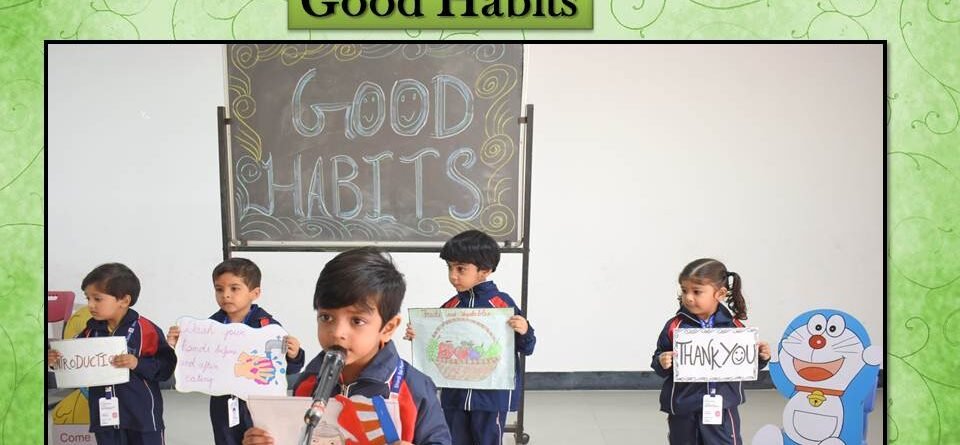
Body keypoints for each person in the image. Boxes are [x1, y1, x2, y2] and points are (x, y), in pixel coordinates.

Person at [243, 247, 451, 445]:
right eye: (326, 317)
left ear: (388, 328)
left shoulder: (415, 388)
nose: (337, 332)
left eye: (357, 321)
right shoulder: (307, 382)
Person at [404, 230, 536, 445]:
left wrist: (525, 330)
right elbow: (435, 342)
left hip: (491, 398)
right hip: (454, 396)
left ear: (485, 270)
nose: (453, 275)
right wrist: (418, 335)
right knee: (454, 440)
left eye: (461, 269)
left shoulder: (501, 305)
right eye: (449, 267)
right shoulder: (450, 306)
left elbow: (527, 347)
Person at [166, 257, 305, 445]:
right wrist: (179, 344)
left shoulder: (268, 327)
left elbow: (287, 370)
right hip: (223, 401)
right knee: (225, 438)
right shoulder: (208, 328)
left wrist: (294, 355)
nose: (226, 295)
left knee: (260, 439)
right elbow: (195, 359)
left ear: (255, 293)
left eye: (234, 288)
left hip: (258, 402)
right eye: (219, 289)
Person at [47, 263, 177, 445]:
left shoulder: (146, 330)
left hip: (143, 418)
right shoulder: (89, 332)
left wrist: (137, 363)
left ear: (124, 300)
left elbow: (165, 367)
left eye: (97, 299)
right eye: (88, 298)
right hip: (104, 419)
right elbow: (75, 365)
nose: (90, 305)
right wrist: (56, 362)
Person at [652, 258, 772, 445]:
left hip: (722, 408)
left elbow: (744, 365)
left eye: (697, 291)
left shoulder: (735, 328)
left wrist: (760, 357)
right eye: (684, 290)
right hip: (684, 408)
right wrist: (662, 361)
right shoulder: (675, 326)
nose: (688, 297)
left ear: (720, 293)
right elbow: (658, 361)